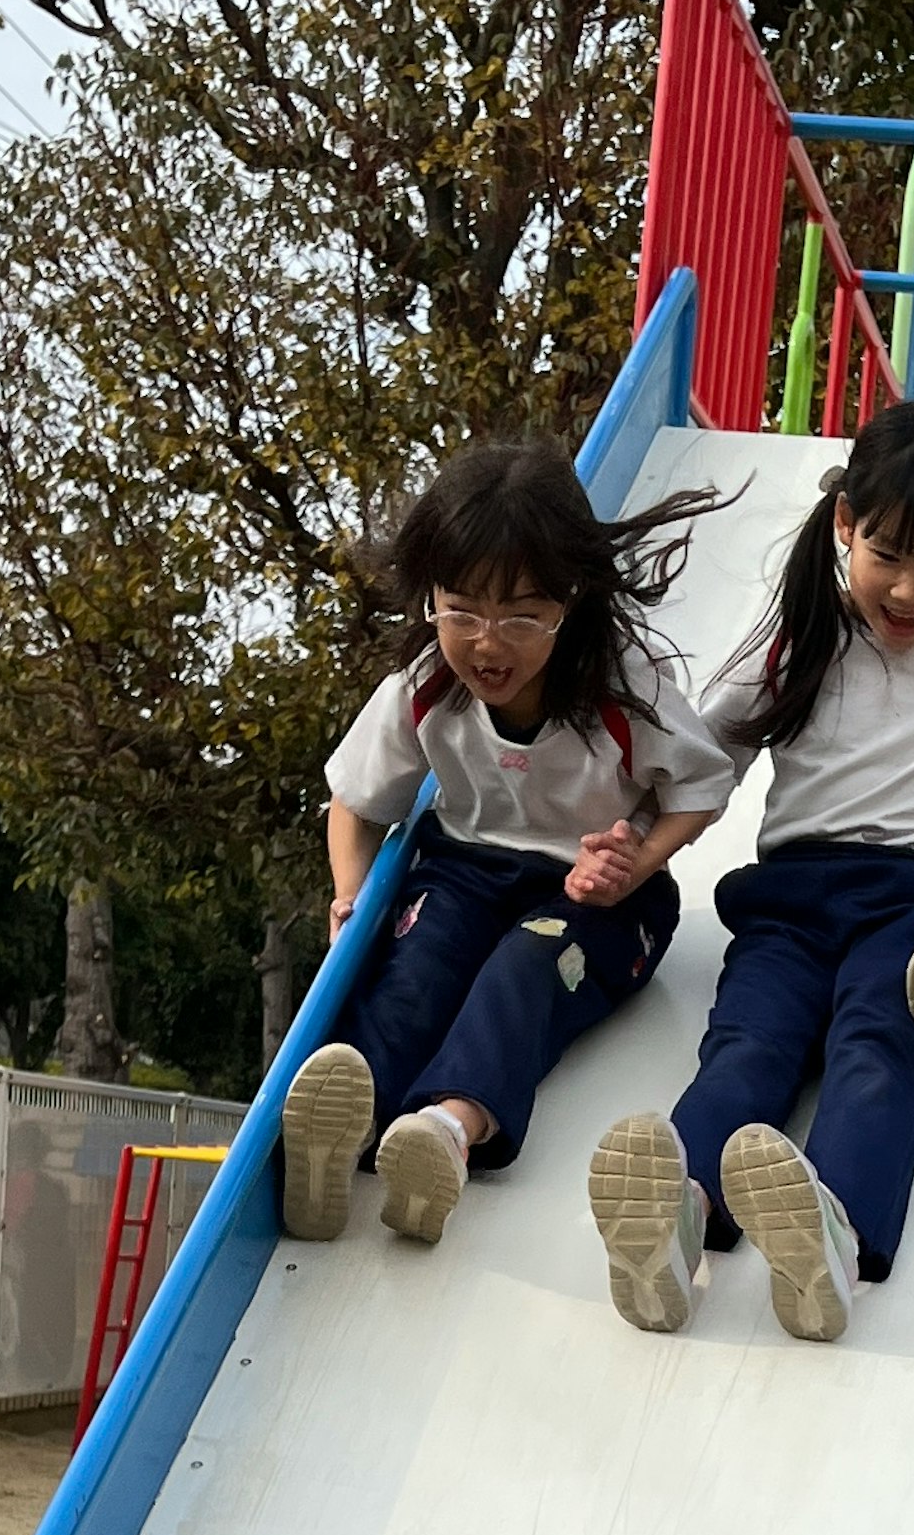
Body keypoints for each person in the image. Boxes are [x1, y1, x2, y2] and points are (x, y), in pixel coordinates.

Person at [585, 395, 914, 1346]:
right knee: (748, 1049)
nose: (910, 591)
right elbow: (705, 755)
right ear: (846, 524)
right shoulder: (800, 634)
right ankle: (679, 1220)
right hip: (788, 905)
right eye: (889, 555)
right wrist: (635, 837)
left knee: (881, 1048)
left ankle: (834, 1232)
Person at [284, 439, 737, 1249]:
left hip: (591, 896)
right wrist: (350, 895)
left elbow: (702, 789)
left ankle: (447, 1133)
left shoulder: (621, 689)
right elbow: (353, 804)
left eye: (521, 617)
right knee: (410, 976)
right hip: (462, 872)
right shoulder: (427, 683)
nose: (487, 644)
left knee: (523, 971)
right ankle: (342, 1136)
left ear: (569, 601)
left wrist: (639, 860)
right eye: (460, 610)